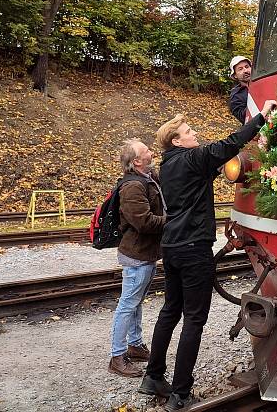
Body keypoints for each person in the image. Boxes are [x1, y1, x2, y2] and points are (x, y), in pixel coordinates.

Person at [139, 99, 276, 411]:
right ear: (176, 140)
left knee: (170, 311)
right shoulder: (191, 158)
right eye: (189, 131)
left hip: (172, 247)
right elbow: (228, 145)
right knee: (195, 319)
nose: (194, 133)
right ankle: (180, 394)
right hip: (193, 248)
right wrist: (261, 119)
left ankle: (153, 376)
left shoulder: (169, 165)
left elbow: (207, 173)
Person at [109, 138, 167, 378]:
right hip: (137, 255)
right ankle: (117, 355)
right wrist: (172, 222)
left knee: (135, 302)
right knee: (127, 304)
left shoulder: (148, 177)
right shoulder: (132, 186)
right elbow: (143, 222)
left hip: (145, 253)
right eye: (146, 151)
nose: (151, 151)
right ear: (137, 161)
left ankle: (135, 344)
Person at [227, 55, 252, 124]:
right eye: (240, 69)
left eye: (247, 67)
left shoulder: (263, 83)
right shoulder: (235, 96)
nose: (245, 71)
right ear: (235, 75)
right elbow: (243, 118)